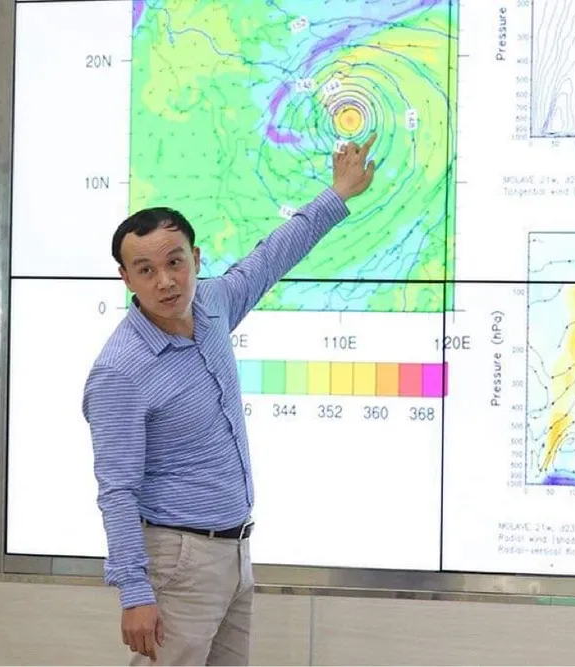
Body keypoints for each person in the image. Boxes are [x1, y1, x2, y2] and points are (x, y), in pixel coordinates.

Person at [81, 134, 377, 666]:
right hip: (178, 560)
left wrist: (338, 192)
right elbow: (117, 489)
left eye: (175, 262)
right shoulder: (120, 371)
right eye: (145, 270)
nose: (165, 281)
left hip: (235, 551)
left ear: (195, 259)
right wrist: (134, 591)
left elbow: (273, 255)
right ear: (126, 279)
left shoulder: (214, 305)